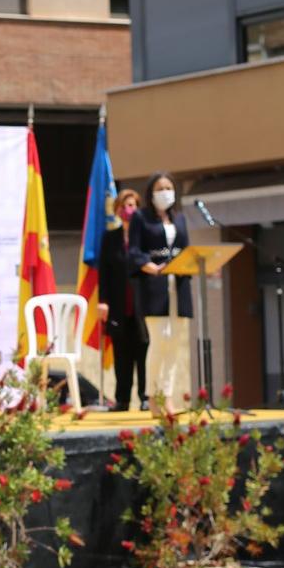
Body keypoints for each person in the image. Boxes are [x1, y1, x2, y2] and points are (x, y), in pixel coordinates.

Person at [127, 171, 192, 404]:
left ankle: (168, 395)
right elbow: (134, 251)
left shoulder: (180, 219)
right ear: (151, 193)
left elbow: (187, 250)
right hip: (154, 287)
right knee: (159, 341)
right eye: (160, 189)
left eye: (168, 188)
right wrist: (150, 266)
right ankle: (153, 395)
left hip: (179, 285)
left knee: (174, 345)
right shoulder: (140, 218)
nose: (165, 193)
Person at [97, 187, 148, 411]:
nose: (129, 210)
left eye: (133, 205)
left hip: (142, 306)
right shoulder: (110, 239)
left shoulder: (145, 237)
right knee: (121, 354)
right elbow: (104, 273)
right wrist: (103, 301)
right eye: (125, 206)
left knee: (144, 350)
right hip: (118, 306)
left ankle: (146, 397)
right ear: (118, 210)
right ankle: (122, 399)